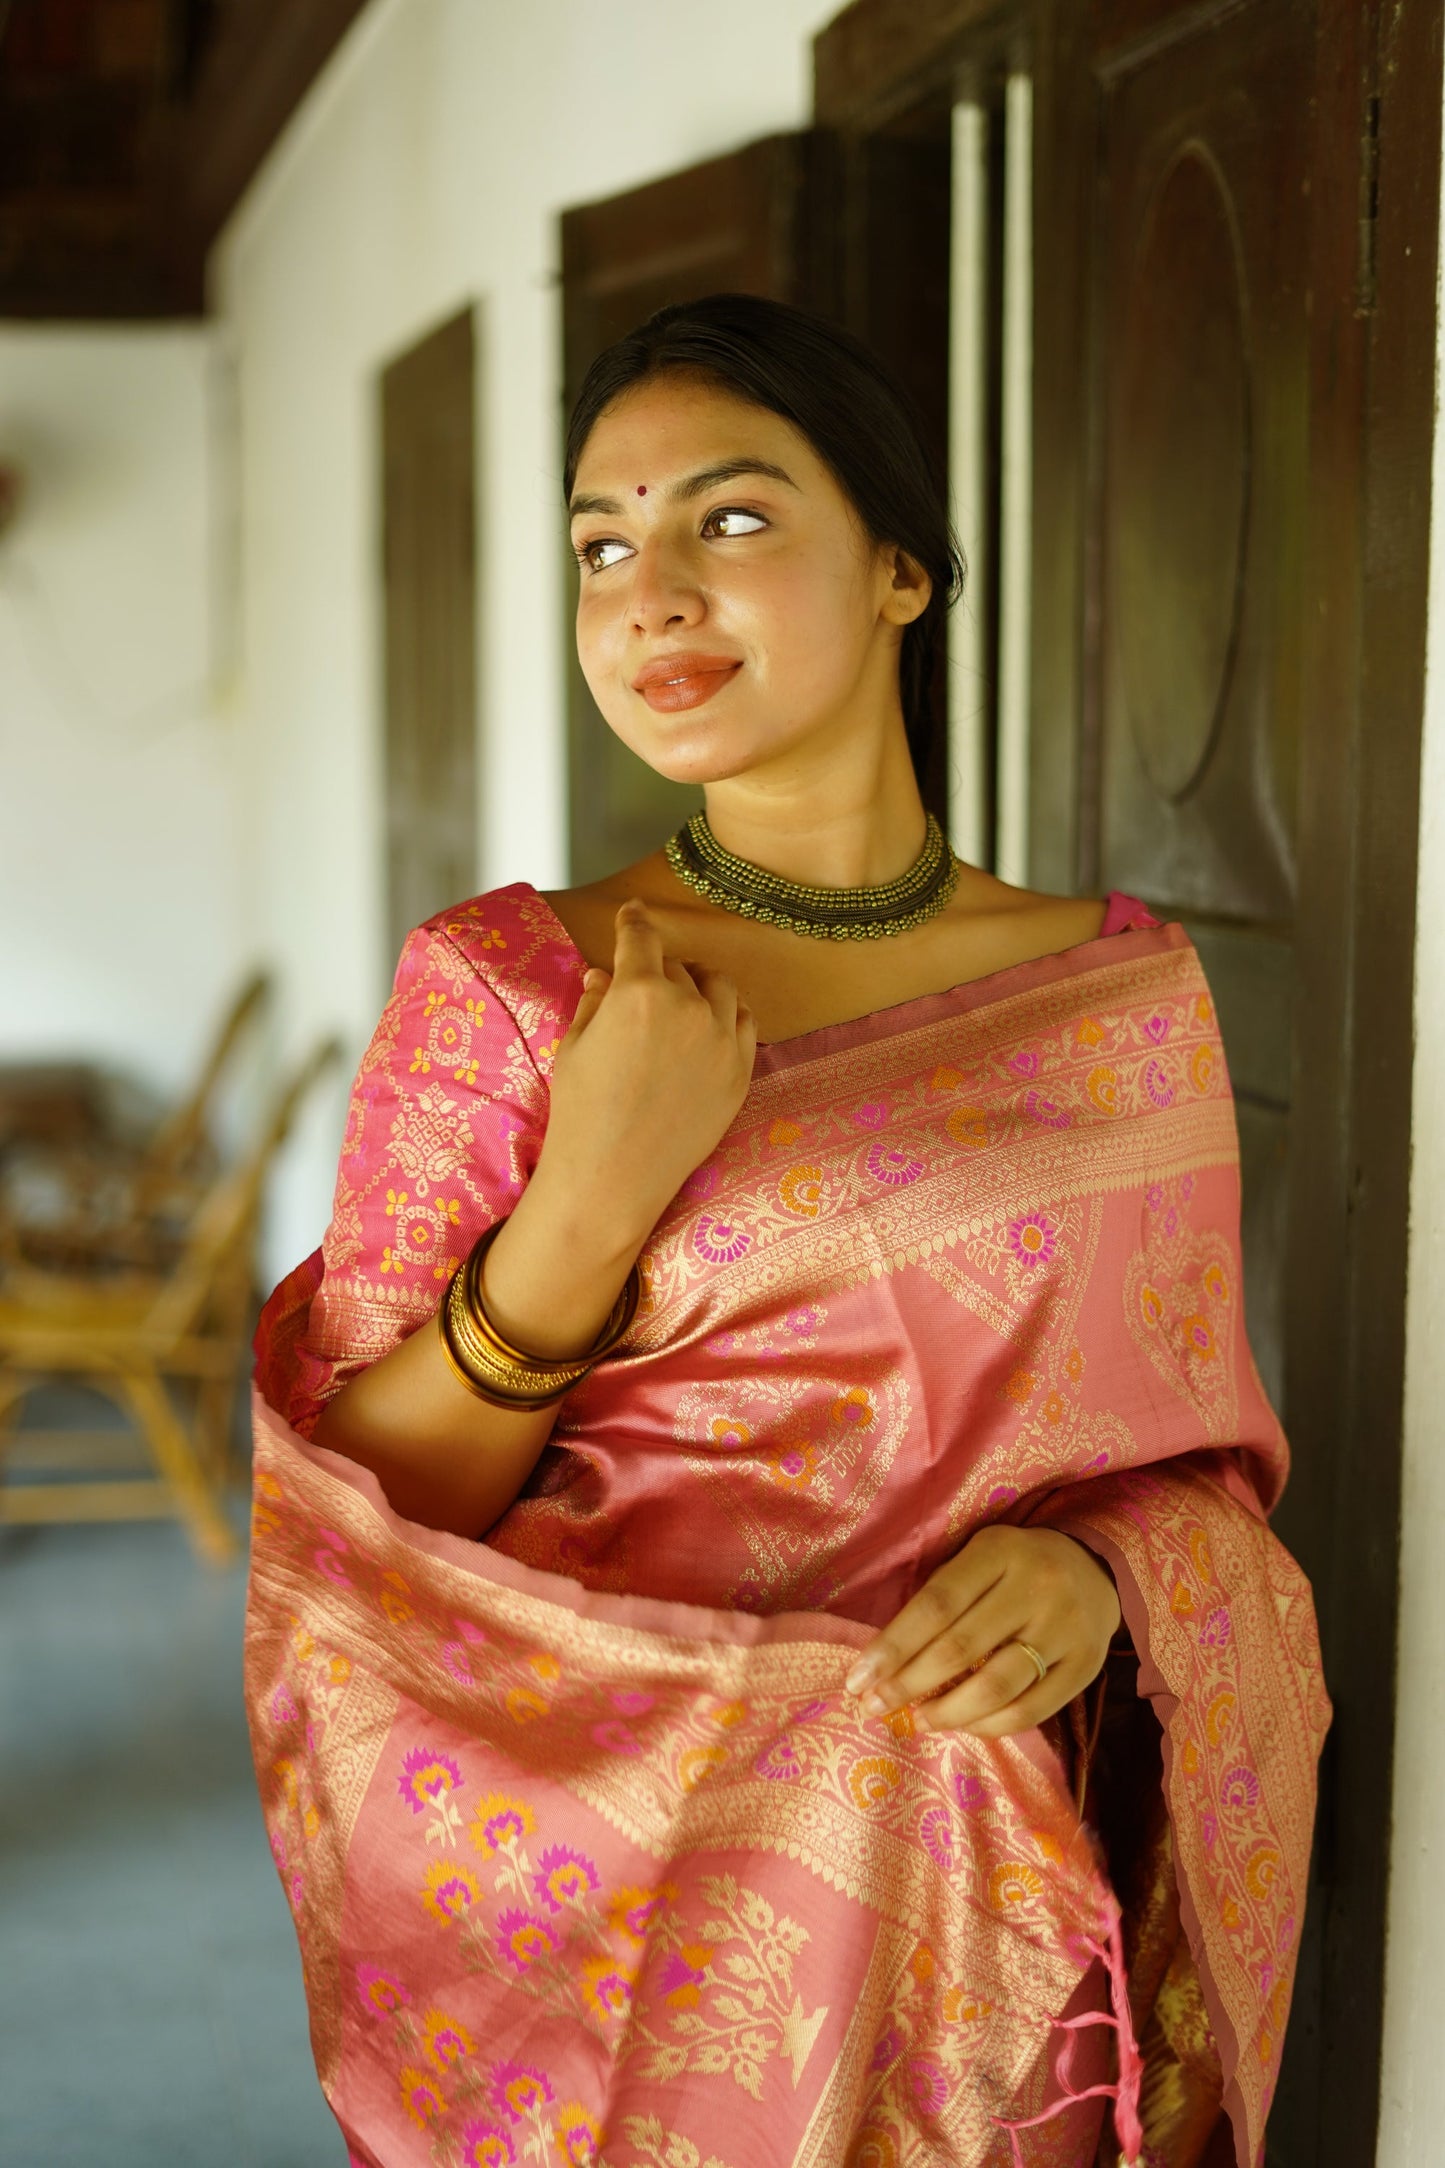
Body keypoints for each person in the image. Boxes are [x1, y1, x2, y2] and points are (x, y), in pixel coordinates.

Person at [247, 294, 1328, 2168]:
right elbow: (359, 1538)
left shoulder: (1115, 1001)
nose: (650, 594)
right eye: (603, 544)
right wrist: (585, 1208)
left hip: (991, 1919)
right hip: (629, 1926)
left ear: (904, 571)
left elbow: (1200, 1475)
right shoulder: (511, 987)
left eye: (726, 521)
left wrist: (1109, 1576)